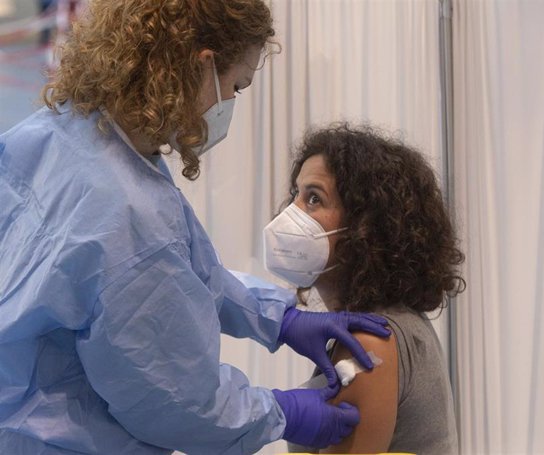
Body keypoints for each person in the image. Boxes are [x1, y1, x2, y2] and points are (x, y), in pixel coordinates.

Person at [0, 1, 392, 454]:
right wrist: (283, 413)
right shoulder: (129, 211)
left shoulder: (61, 133)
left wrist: (277, 319)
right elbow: (176, 401)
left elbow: (169, 273)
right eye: (236, 86)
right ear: (202, 66)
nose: (229, 104)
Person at [262, 124, 464, 454]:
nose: (289, 214)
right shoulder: (390, 324)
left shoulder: (370, 344)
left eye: (314, 198)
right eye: (294, 195)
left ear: (366, 226)